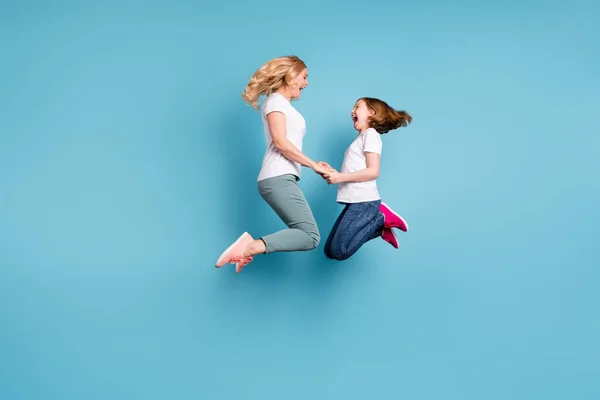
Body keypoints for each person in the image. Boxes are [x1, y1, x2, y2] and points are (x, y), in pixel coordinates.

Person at [215, 55, 331, 273]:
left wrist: (313, 164)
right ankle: (249, 246)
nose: (307, 83)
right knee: (310, 235)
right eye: (304, 77)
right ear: (291, 75)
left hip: (280, 177)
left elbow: (286, 144)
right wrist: (313, 165)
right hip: (277, 177)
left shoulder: (282, 104)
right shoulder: (276, 102)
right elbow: (280, 142)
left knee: (307, 234)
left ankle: (249, 247)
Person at [320, 97, 412, 261]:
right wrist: (333, 173)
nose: (352, 111)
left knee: (339, 251)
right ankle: (380, 229)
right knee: (329, 251)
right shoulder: (360, 139)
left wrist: (340, 177)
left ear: (371, 113)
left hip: (364, 201)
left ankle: (381, 217)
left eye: (357, 107)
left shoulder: (371, 135)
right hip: (355, 201)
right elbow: (355, 168)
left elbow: (373, 171)